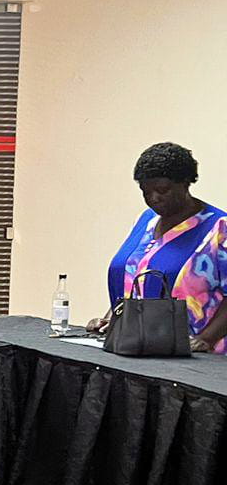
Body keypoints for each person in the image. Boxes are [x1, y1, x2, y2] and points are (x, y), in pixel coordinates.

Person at [90, 141, 227, 353]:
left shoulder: (219, 228)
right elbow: (134, 278)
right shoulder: (146, 221)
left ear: (185, 183)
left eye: (162, 190)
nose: (154, 198)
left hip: (198, 359)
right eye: (145, 191)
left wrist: (206, 339)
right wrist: (111, 320)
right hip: (137, 350)